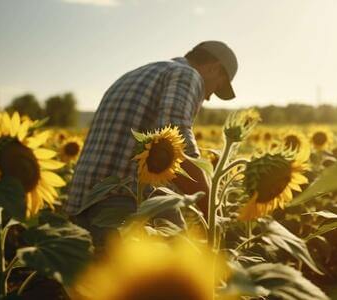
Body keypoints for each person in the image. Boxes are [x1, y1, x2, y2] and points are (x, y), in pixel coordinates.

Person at [64, 40, 238, 249]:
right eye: (218, 86)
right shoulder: (187, 75)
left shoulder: (134, 75)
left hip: (82, 205)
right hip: (126, 206)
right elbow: (173, 142)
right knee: (180, 266)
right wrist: (211, 214)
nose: (209, 97)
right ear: (215, 67)